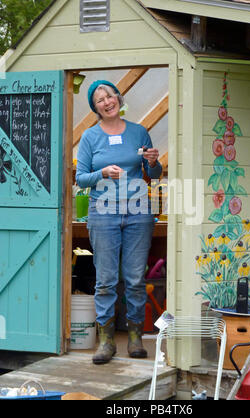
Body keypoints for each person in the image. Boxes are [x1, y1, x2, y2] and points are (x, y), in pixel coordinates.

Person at [76, 80, 162, 364]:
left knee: (136, 278)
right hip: (103, 211)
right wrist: (102, 172)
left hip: (138, 211)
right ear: (95, 108)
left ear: (118, 98)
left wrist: (152, 160)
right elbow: (81, 178)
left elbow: (154, 172)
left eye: (110, 95)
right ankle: (106, 341)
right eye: (100, 99)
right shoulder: (90, 137)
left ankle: (136, 338)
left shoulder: (139, 132)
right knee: (106, 280)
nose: (107, 101)